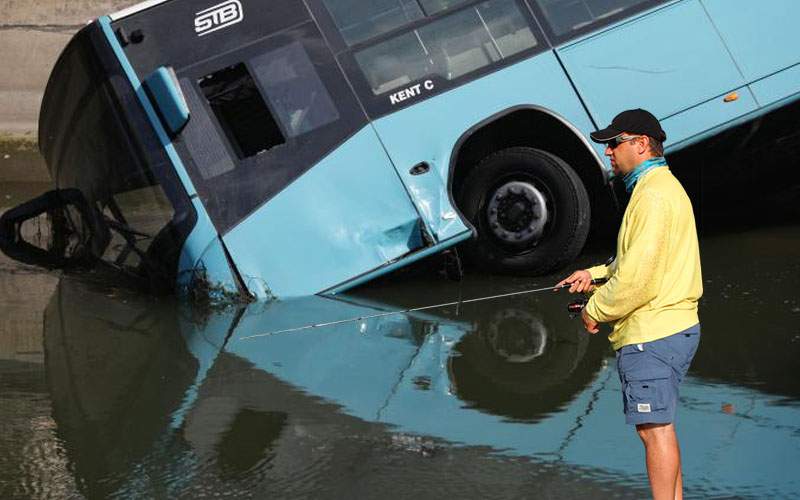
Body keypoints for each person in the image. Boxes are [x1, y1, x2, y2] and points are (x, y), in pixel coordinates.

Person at [556, 109, 702, 500]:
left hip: (652, 333)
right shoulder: (660, 188)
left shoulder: (652, 196)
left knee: (653, 430)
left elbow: (638, 280)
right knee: (660, 429)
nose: (607, 152)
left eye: (613, 143)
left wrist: (594, 310)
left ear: (640, 144)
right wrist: (595, 275)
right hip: (672, 326)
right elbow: (637, 260)